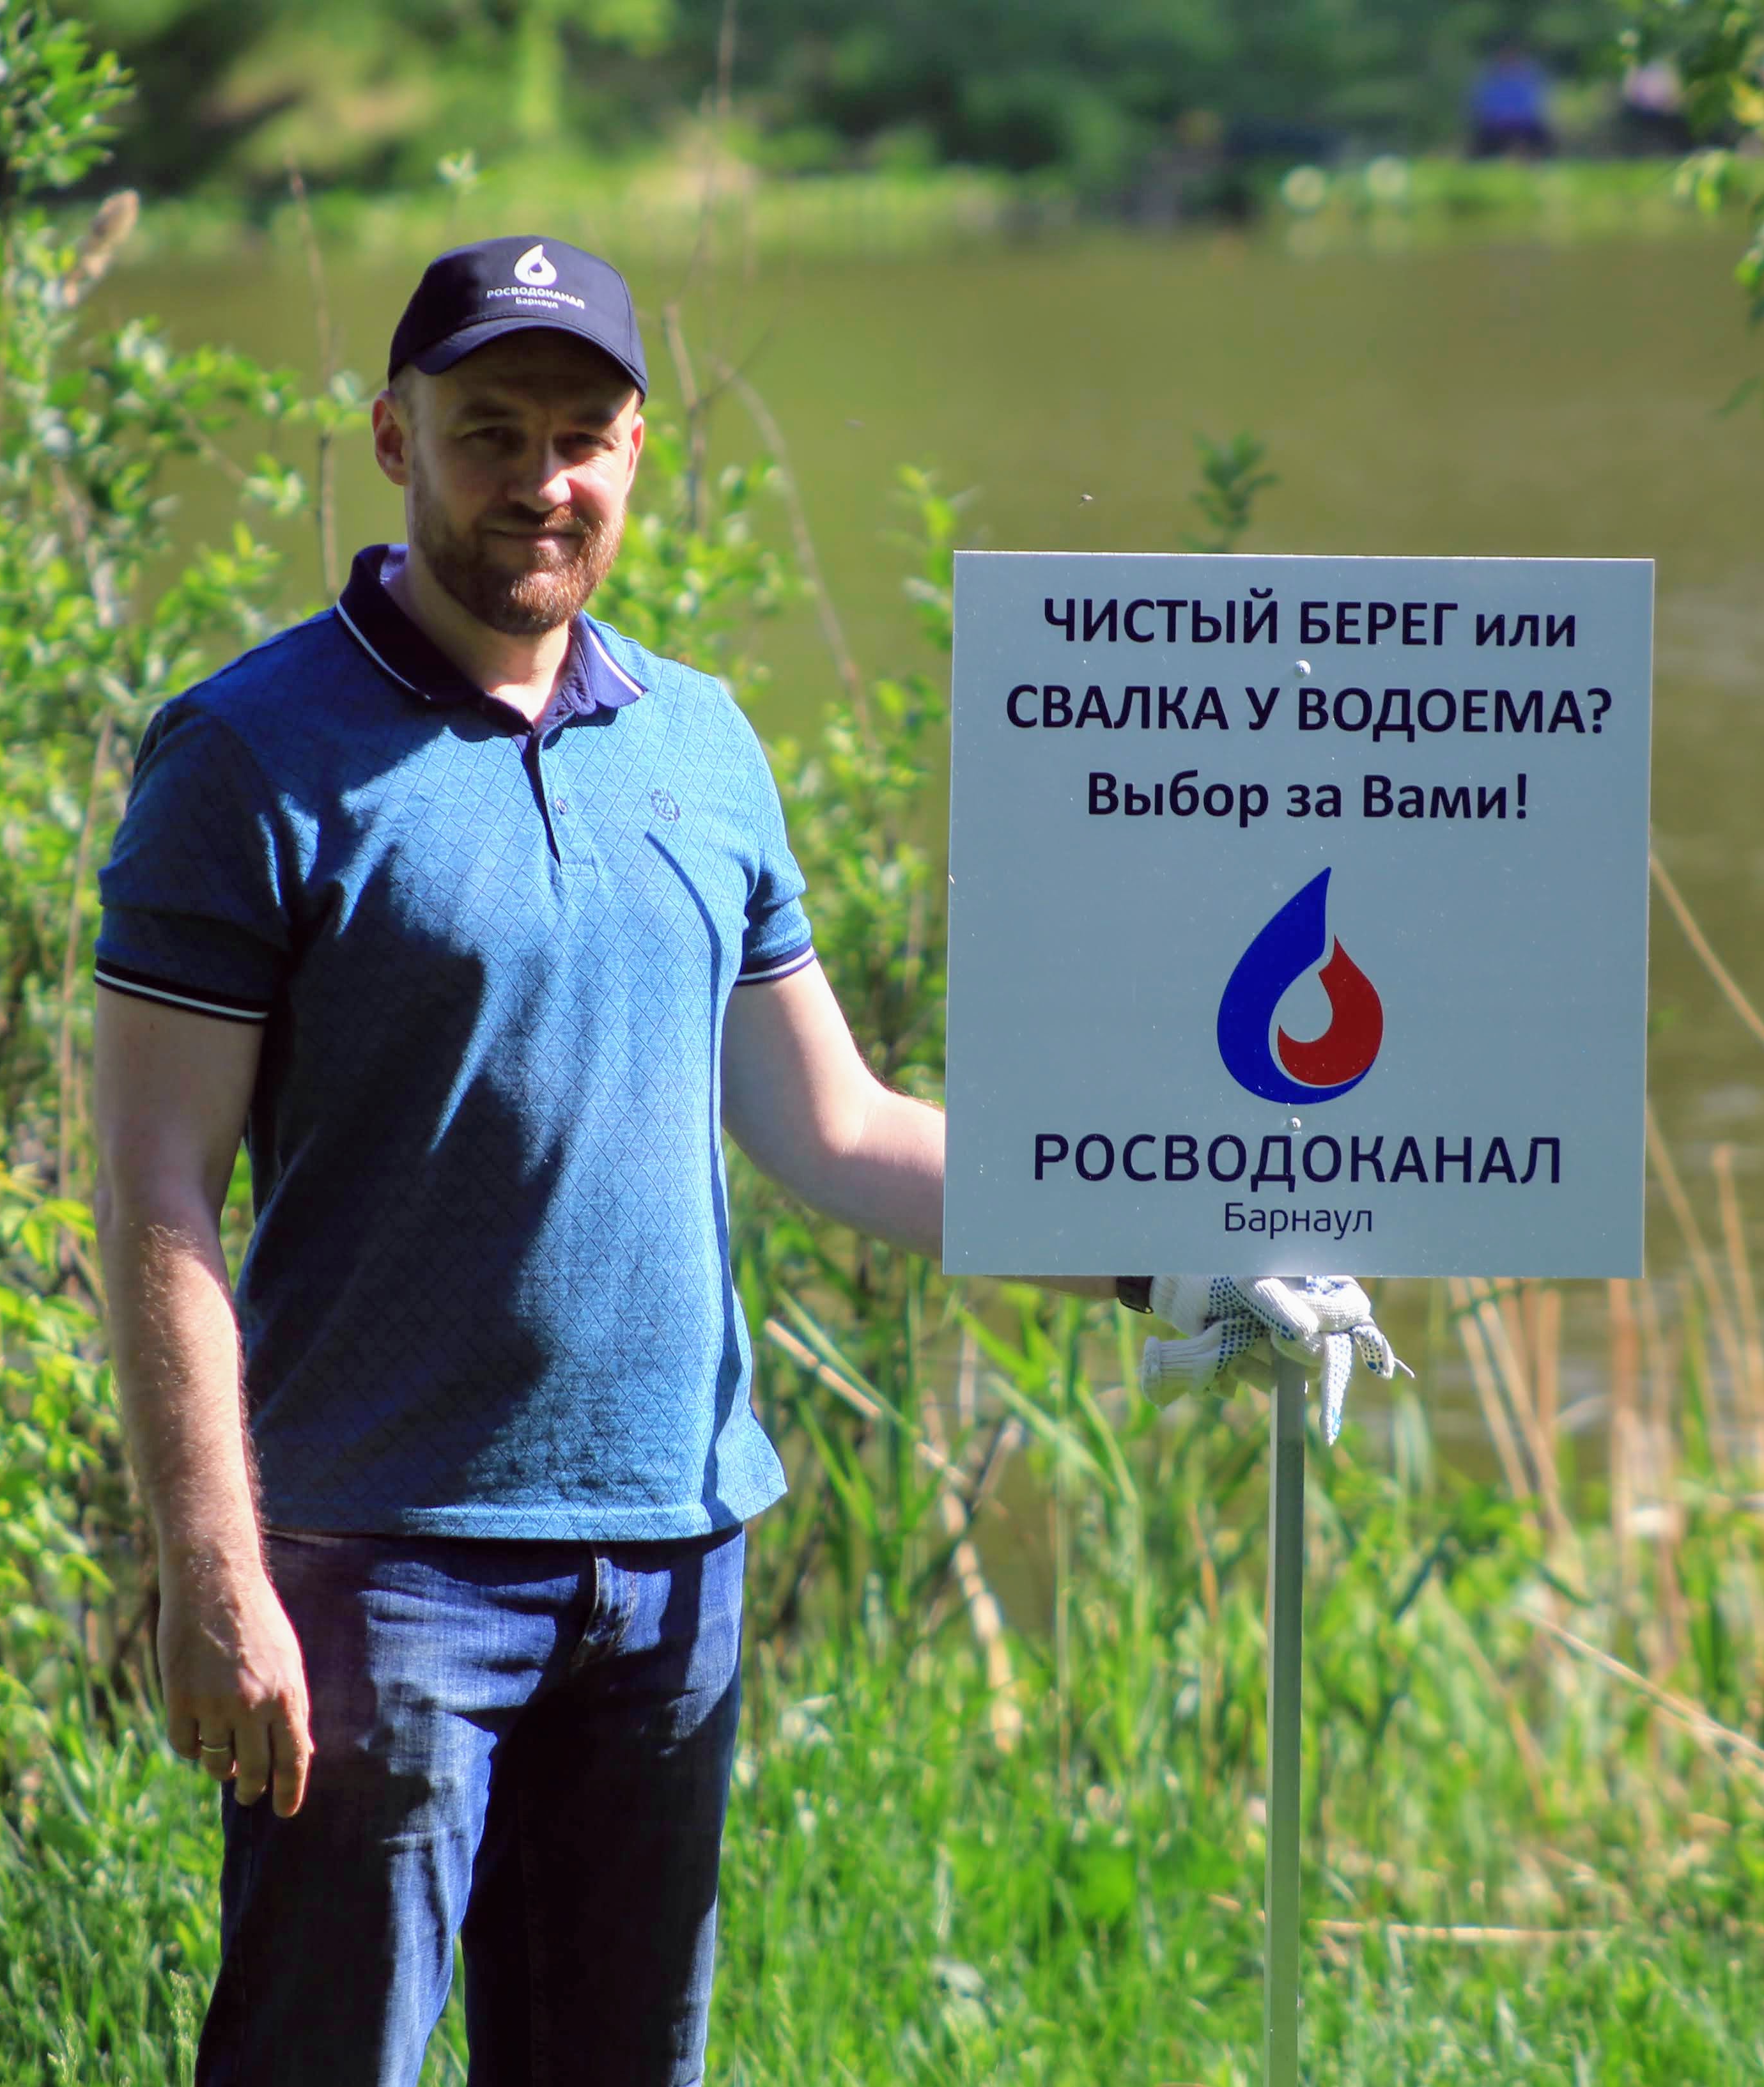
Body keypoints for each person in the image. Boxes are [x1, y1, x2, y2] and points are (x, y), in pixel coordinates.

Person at [90, 233, 1403, 2087]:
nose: (539, 480)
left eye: (580, 436)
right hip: (381, 1578)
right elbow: (156, 1195)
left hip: (672, 1558)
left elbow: (836, 1126)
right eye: (488, 431)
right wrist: (212, 1569)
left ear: (636, 450)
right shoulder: (244, 755)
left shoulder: (699, 743)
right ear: (392, 439)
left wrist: (1173, 1248)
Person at [1467, 47, 1556, 158]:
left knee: (1543, 137)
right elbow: (1485, 107)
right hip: (1497, 126)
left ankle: (1531, 153)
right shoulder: (1491, 81)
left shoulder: (1527, 80)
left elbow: (1531, 107)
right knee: (1483, 139)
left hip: (1523, 125)